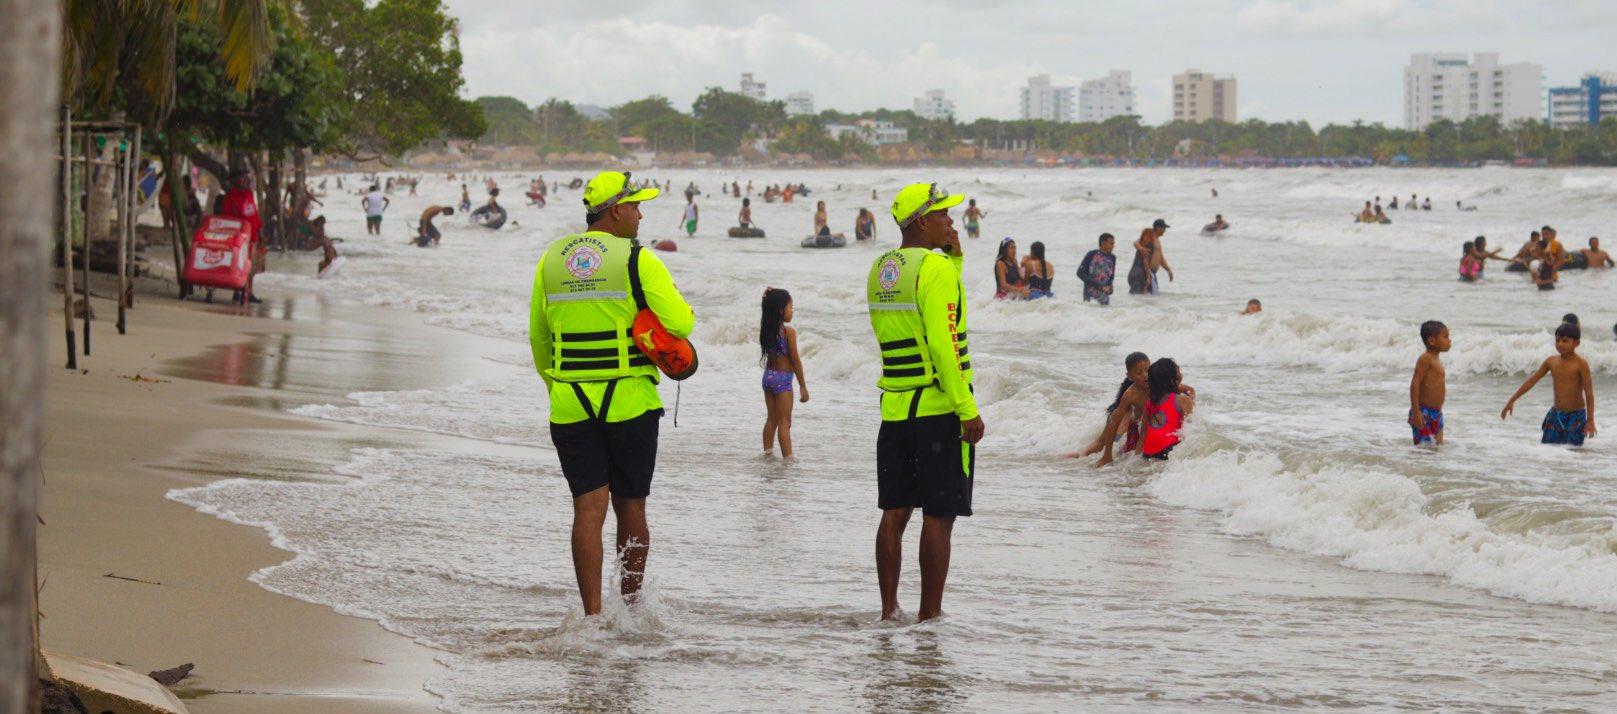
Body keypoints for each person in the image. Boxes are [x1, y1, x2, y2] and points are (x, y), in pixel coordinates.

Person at [528, 170, 694, 616]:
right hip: (630, 401)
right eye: (636, 206)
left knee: (588, 507)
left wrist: (558, 387)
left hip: (569, 402)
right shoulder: (638, 258)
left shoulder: (551, 259)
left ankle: (594, 617)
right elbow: (681, 325)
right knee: (631, 505)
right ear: (616, 210)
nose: (641, 214)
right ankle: (633, 609)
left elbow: (539, 339)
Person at [867, 182, 983, 622]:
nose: (951, 222)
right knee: (940, 514)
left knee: (894, 512)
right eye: (943, 215)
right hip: (937, 411)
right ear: (921, 221)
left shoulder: (881, 268)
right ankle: (929, 618)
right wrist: (966, 408)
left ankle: (888, 610)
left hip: (895, 407)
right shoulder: (934, 269)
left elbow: (915, 323)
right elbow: (944, 340)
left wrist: (954, 258)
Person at [1501, 322, 1596, 446]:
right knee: (1548, 451)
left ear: (1576, 343)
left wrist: (1590, 420)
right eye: (1557, 340)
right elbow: (1531, 381)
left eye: (1565, 341)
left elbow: (1589, 393)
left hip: (1576, 417)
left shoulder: (1581, 364)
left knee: (1573, 452)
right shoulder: (1551, 361)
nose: (1560, 344)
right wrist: (1512, 400)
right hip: (1556, 415)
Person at [759, 288, 809, 459]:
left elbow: (767, 307)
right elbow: (795, 360)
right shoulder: (789, 332)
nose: (792, 311)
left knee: (771, 420)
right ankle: (788, 459)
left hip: (768, 377)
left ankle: (767, 453)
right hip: (783, 380)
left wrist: (768, 298)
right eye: (790, 307)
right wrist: (803, 386)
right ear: (781, 310)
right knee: (785, 423)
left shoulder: (767, 330)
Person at [218, 169, 265, 303]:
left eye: (246, 177)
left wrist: (261, 231)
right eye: (242, 178)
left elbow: (255, 214)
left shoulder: (249, 194)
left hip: (253, 236)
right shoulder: (230, 197)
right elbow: (226, 218)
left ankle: (248, 291)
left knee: (252, 266)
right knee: (241, 265)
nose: (245, 180)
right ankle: (239, 291)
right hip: (240, 238)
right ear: (234, 181)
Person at [1138, 359, 1193, 460]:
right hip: (1169, 451)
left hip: (1148, 452)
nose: (1180, 370)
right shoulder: (1183, 400)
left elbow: (1142, 437)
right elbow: (1189, 431)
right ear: (1172, 379)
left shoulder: (1150, 402)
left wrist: (1134, 459)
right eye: (1177, 369)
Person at [1409, 321, 1450, 446]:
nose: (1449, 340)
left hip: (1437, 413)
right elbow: (1415, 384)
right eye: (1445, 337)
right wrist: (1416, 412)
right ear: (1432, 340)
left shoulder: (1437, 360)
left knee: (1437, 449)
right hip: (1423, 413)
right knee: (1423, 451)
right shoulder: (1425, 359)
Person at [1127, 219, 1173, 295]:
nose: (1165, 231)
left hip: (1150, 273)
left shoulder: (1157, 240)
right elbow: (1135, 242)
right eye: (1164, 228)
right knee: (1138, 298)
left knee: (1150, 299)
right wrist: (1142, 249)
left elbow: (1160, 258)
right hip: (1142, 272)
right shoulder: (1149, 236)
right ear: (1158, 228)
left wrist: (1168, 270)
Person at [1076, 233, 1117, 305]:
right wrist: (1099, 286)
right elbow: (1080, 273)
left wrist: (1110, 288)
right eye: (1111, 243)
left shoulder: (1112, 257)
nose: (1113, 246)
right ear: (1103, 243)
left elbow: (1111, 277)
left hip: (1104, 298)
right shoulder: (1091, 254)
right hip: (1089, 297)